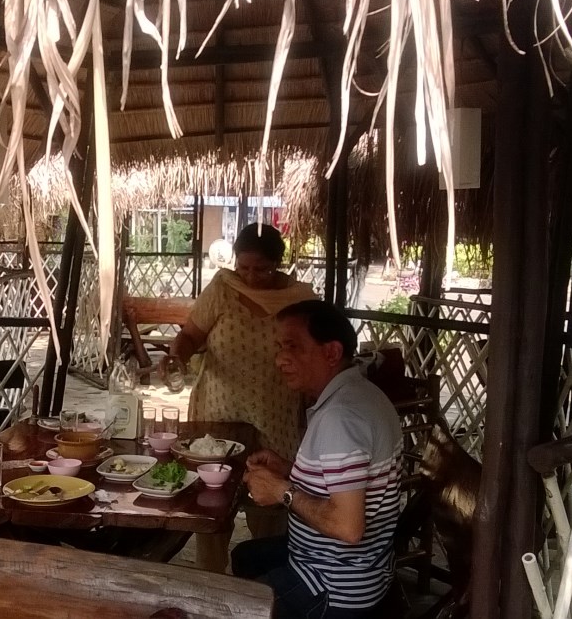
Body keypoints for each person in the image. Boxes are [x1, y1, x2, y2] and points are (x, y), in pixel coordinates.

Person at [232, 301, 405, 617]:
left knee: (232, 606)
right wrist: (289, 468)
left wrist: (282, 491)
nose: (280, 359)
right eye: (280, 347)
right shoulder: (361, 394)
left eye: (293, 347)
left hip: (335, 584)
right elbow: (350, 479)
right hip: (363, 568)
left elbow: (348, 527)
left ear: (331, 353)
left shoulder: (340, 417)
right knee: (247, 556)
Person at [160, 223, 317, 570]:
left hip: (274, 418)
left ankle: (267, 588)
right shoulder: (222, 287)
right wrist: (177, 357)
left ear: (279, 263)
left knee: (270, 508)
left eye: (261, 269)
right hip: (219, 417)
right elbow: (190, 334)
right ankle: (211, 587)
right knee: (212, 504)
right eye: (243, 267)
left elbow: (312, 355)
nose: (250, 276)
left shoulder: (300, 299)